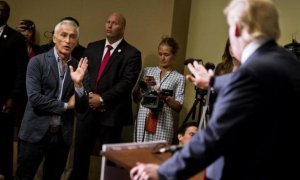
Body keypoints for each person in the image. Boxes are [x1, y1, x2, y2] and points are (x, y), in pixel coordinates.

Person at [130, 0, 300, 179]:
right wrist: (213, 82)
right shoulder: (290, 62)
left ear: (235, 29)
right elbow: (261, 87)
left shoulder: (249, 75)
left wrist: (163, 171)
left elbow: (213, 138)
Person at [70, 12, 142, 180]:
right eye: (108, 22)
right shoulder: (92, 47)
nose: (109, 25)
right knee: (80, 156)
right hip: (87, 112)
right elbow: (83, 74)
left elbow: (127, 82)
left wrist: (102, 99)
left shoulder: (132, 53)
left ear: (123, 28)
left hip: (111, 114)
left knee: (109, 162)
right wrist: (89, 96)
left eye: (114, 23)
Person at [15, 20, 88, 180]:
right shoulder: (37, 62)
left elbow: (82, 107)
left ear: (76, 42)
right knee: (23, 176)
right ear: (54, 38)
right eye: (63, 35)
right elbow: (35, 98)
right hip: (35, 131)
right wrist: (65, 106)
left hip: (61, 135)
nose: (68, 40)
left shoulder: (78, 67)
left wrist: (79, 84)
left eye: (72, 37)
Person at [132, 36, 185, 144]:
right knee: (139, 156)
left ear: (174, 56)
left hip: (163, 123)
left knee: (160, 157)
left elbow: (178, 106)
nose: (162, 58)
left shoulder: (179, 78)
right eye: (160, 54)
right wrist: (143, 89)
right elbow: (135, 97)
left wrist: (165, 97)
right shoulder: (147, 71)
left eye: (166, 55)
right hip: (144, 119)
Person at [0, 1, 28, 179]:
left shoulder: (15, 38)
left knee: (3, 140)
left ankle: (4, 173)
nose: (1, 13)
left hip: (4, 99)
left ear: (9, 14)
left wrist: (13, 98)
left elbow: (21, 71)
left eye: (4, 11)